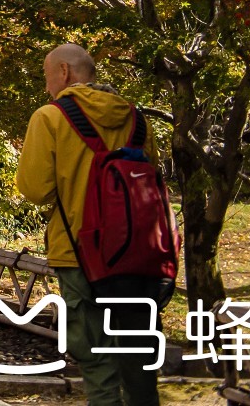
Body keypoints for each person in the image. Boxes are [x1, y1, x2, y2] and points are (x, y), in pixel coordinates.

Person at [17, 44, 158, 406]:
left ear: (64, 72)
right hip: (139, 256)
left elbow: (35, 190)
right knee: (140, 361)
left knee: (97, 362)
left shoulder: (50, 117)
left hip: (79, 254)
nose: (47, 85)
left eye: (47, 76)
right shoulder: (136, 118)